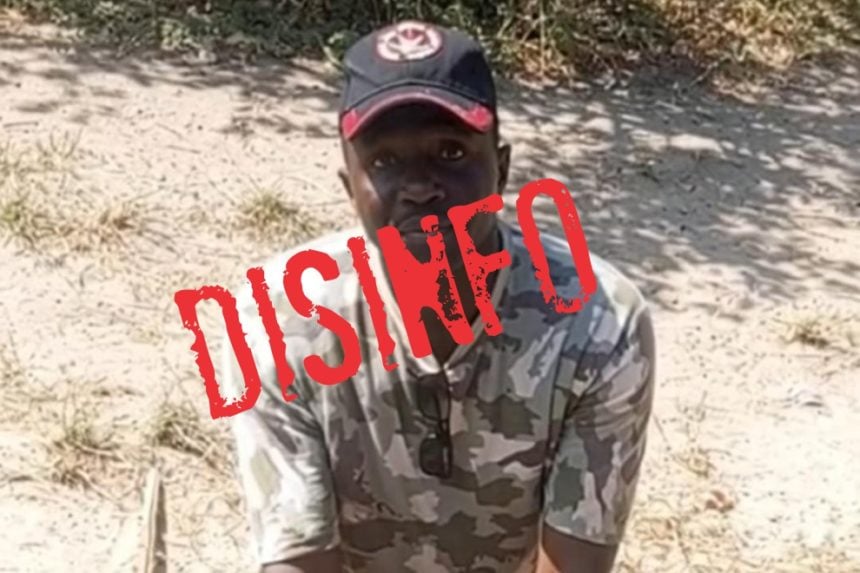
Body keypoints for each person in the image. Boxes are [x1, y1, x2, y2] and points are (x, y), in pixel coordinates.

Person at [220, 20, 656, 573]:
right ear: (349, 188)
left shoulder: (597, 323)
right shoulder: (278, 321)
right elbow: (300, 559)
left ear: (501, 170)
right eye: (383, 162)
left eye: (450, 152)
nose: (420, 187)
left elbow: (574, 563)